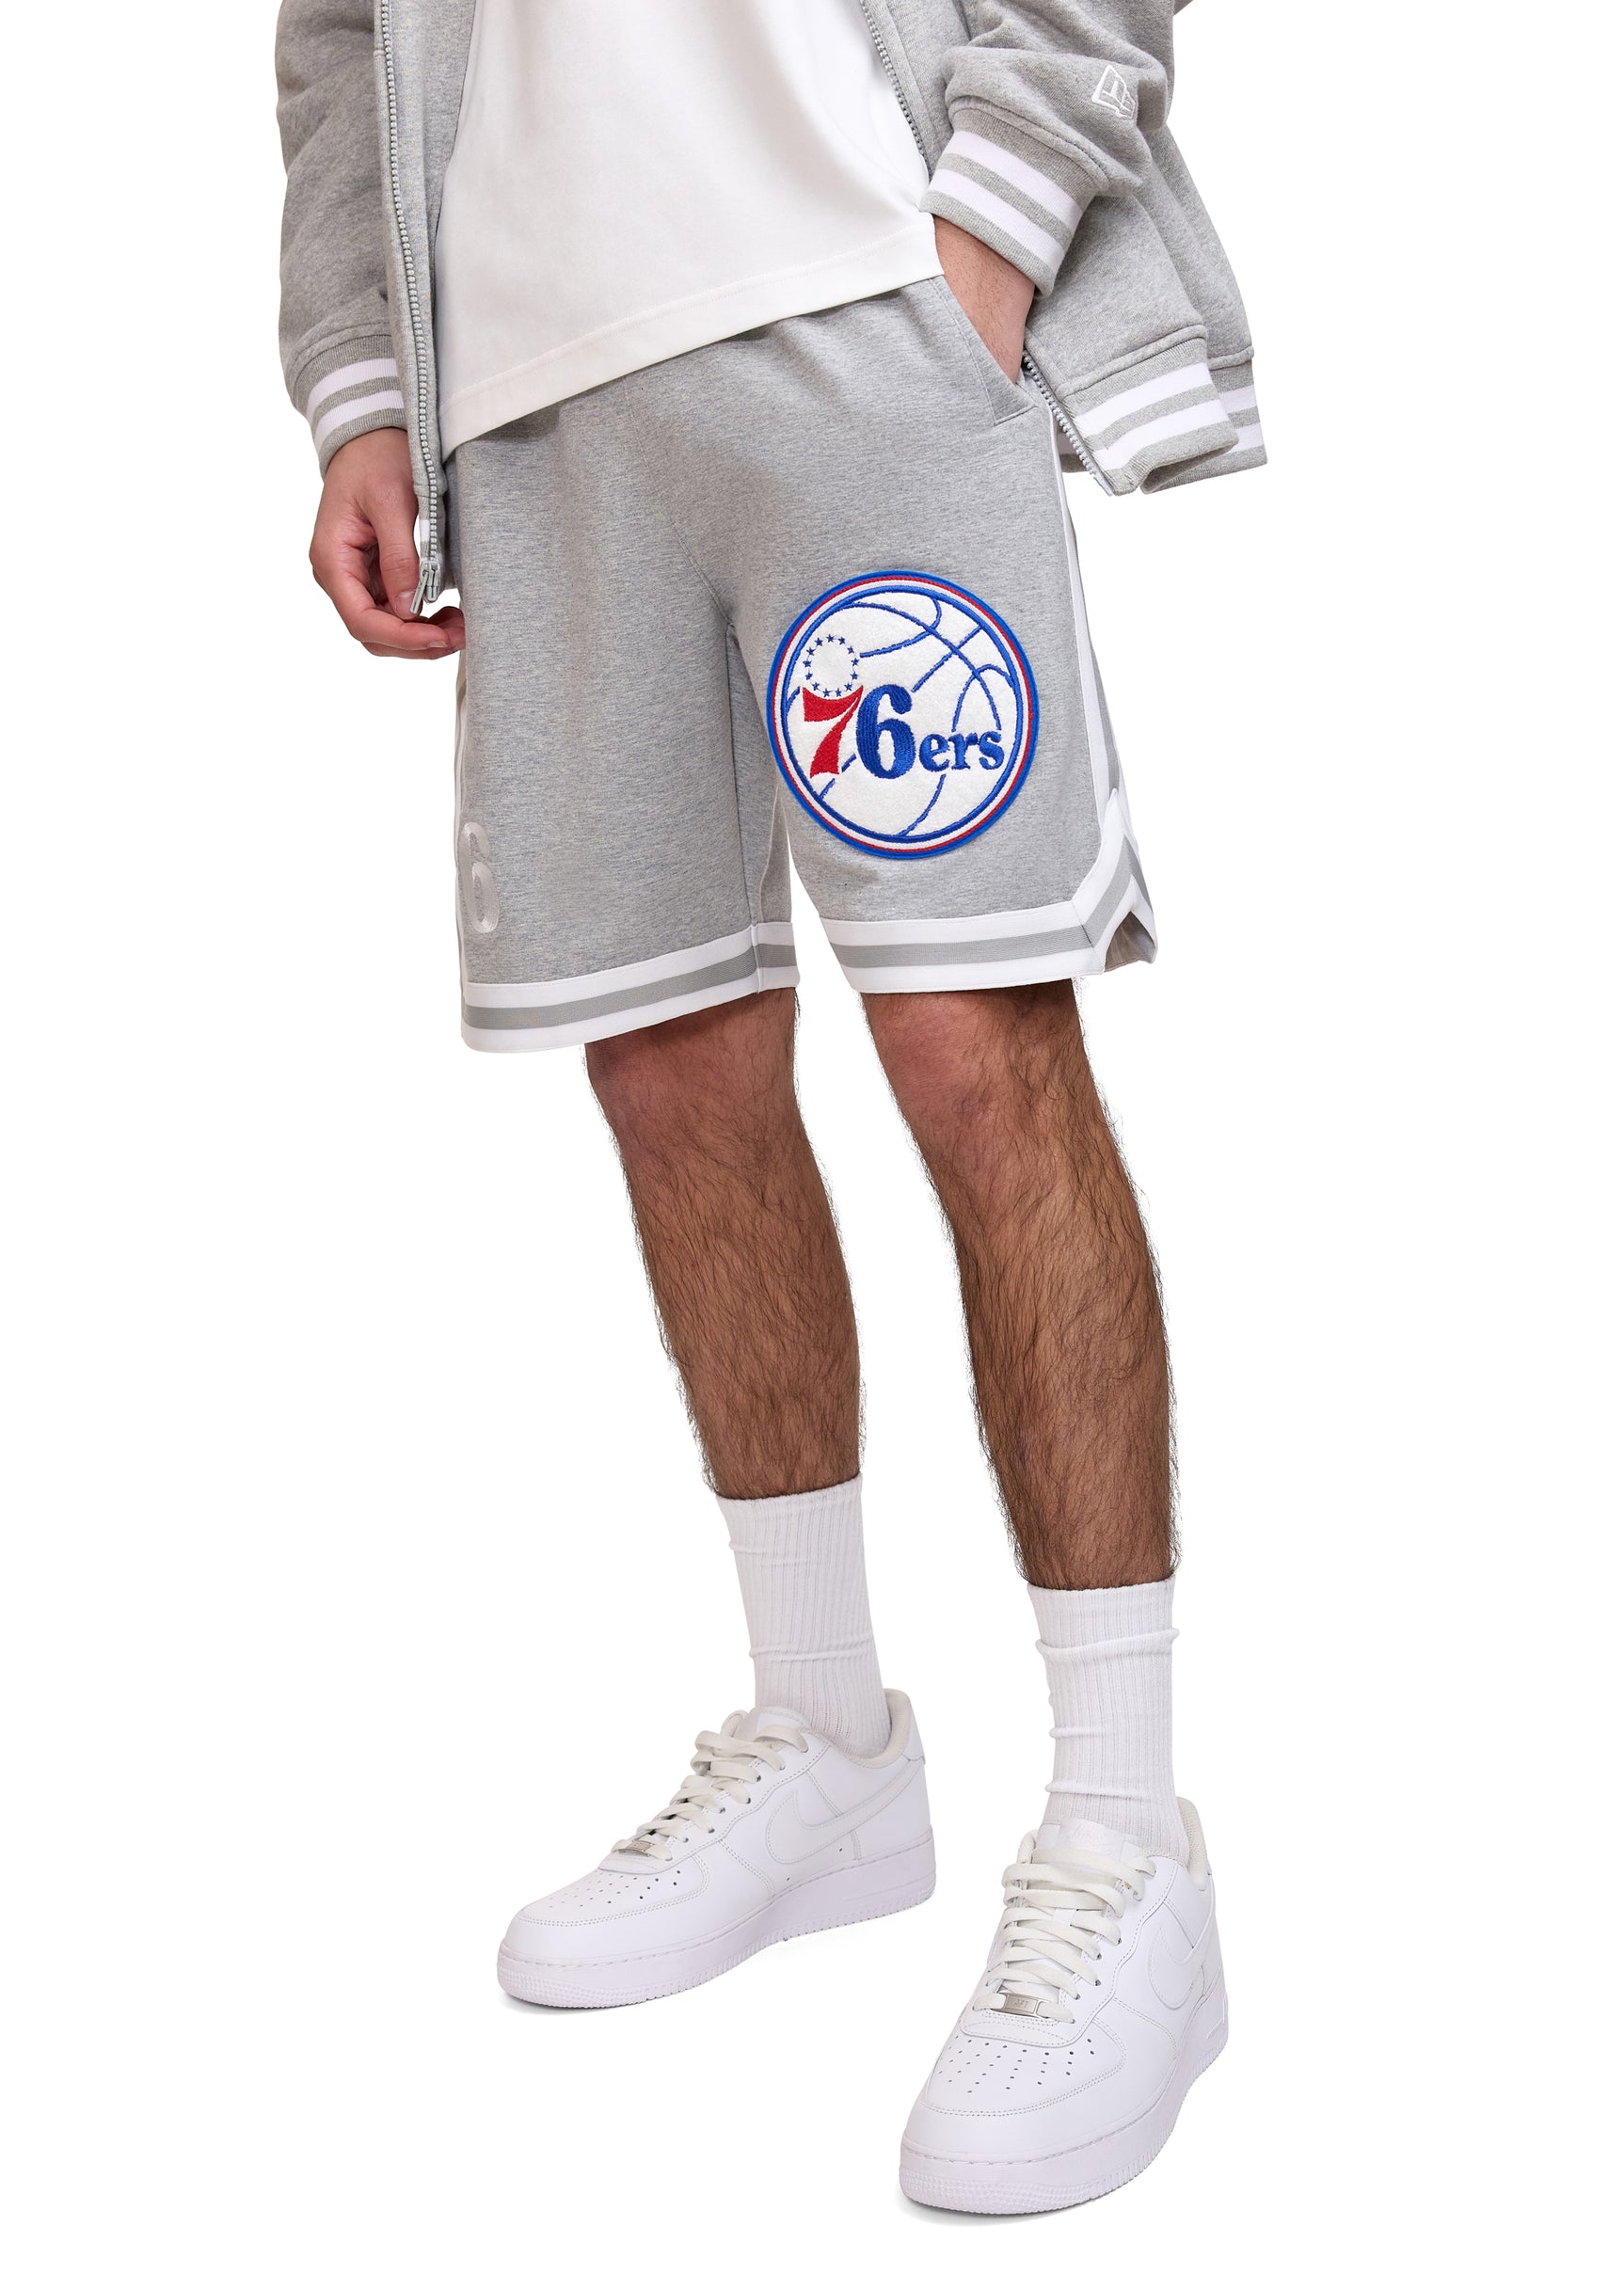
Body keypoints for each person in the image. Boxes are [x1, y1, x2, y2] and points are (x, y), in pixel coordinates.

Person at [277, 0, 1263, 2214]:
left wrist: (996, 218)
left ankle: (1125, 1831)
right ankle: (825, 1739)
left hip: (860, 299)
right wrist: (362, 379)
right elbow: (334, 34)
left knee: (971, 1046)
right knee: (670, 1067)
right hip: (531, 391)